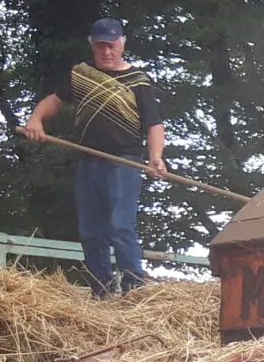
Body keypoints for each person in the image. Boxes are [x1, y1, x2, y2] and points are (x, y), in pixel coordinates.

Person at [20, 18, 166, 297]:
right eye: (101, 46)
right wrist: (36, 118)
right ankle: (101, 288)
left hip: (124, 162)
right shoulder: (81, 75)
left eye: (111, 46)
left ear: (122, 44)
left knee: (120, 225)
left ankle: (134, 287)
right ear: (92, 45)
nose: (107, 52)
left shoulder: (138, 81)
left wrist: (155, 157)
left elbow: (154, 124)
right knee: (90, 230)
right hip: (88, 162)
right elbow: (54, 100)